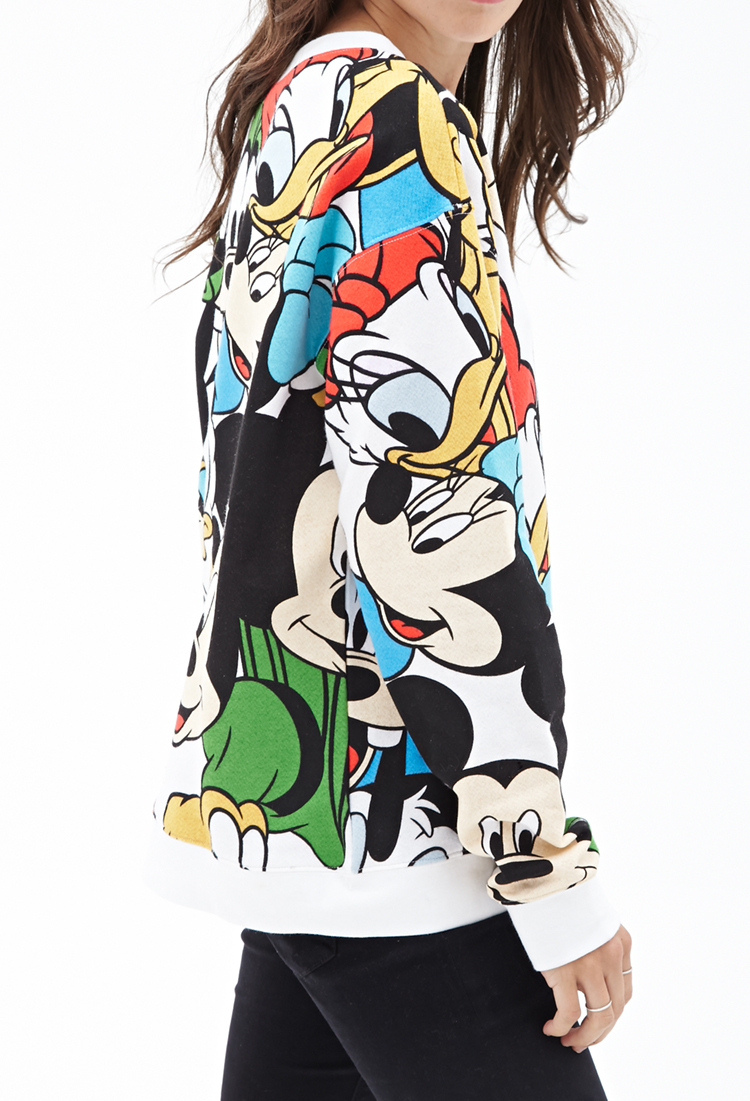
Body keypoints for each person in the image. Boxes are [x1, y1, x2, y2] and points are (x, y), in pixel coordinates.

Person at [146, 2, 635, 1097]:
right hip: (412, 835)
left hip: (309, 818)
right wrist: (545, 870)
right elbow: (436, 512)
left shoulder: (309, 94)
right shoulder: (394, 116)